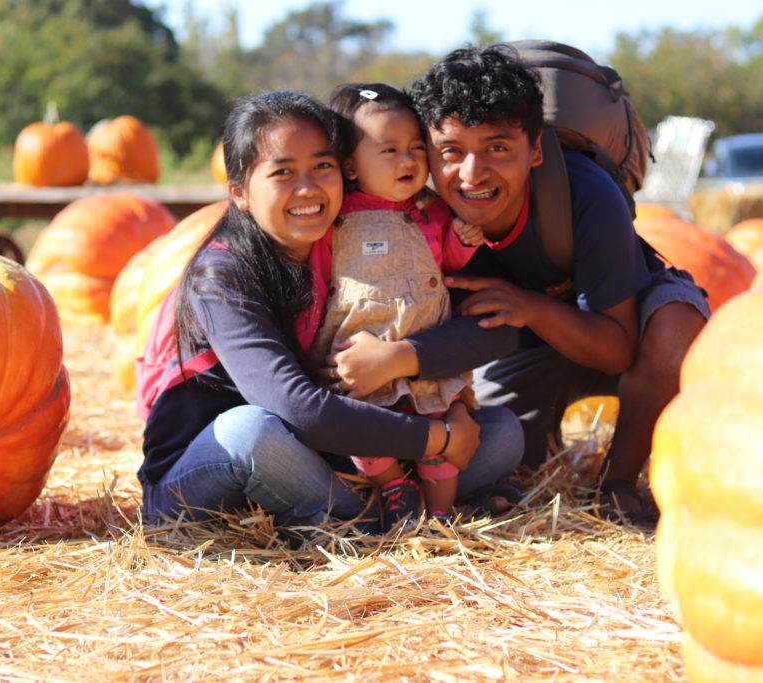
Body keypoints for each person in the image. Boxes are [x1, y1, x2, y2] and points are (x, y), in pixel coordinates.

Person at [325, 45, 710, 528]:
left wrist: (533, 308)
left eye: (498, 148)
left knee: (677, 325)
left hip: (618, 330)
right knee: (507, 455)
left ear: (535, 150)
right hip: (518, 345)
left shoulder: (585, 193)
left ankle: (616, 481)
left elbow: (617, 349)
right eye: (450, 151)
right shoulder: (411, 219)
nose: (472, 173)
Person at [138, 89, 524, 537]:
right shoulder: (223, 274)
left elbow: (496, 333)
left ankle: (363, 510)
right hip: (209, 468)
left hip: (333, 457)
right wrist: (438, 440)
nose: (308, 188)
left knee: (501, 431)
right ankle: (377, 522)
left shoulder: (357, 241)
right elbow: (299, 410)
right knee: (250, 431)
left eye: (322, 167)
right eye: (283, 173)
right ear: (240, 192)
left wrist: (410, 367)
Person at [307, 82, 490, 529]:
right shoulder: (336, 215)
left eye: (415, 148)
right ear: (350, 165)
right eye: (388, 150)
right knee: (364, 433)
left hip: (423, 354)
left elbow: (446, 264)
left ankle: (442, 516)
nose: (408, 160)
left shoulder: (433, 211)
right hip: (359, 357)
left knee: (446, 443)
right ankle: (393, 487)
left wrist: (465, 242)